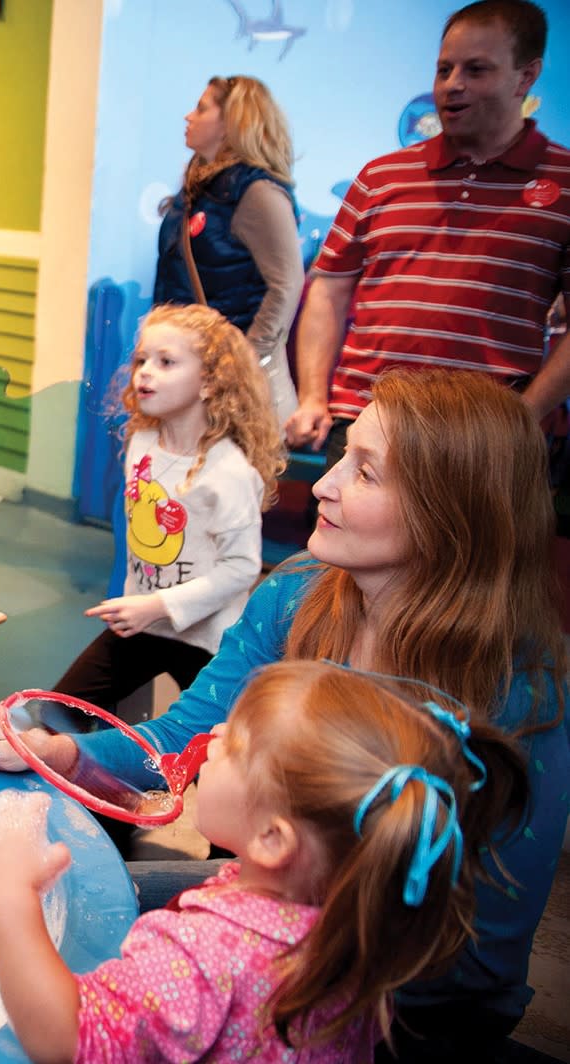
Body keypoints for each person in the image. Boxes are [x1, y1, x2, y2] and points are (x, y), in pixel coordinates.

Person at [0, 369, 570, 1060]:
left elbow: (483, 952)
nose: (323, 485)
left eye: (365, 473)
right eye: (343, 453)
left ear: (451, 512)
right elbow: (178, 739)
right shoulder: (295, 595)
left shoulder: (528, 689)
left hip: (414, 1007)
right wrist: (60, 751)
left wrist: (246, 974)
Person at [0, 660, 530, 1063]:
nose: (212, 735)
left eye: (235, 746)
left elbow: (65, 1040)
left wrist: (8, 890)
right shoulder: (353, 923)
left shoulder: (202, 953)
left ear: (275, 840)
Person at [286, 0, 570, 462]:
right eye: (444, 70)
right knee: (338, 535)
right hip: (364, 422)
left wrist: (526, 412)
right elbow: (329, 289)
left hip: (480, 440)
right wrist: (314, 397)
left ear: (526, 76)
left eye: (476, 70)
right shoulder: (381, 176)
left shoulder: (562, 181)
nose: (453, 85)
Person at [51, 304, 286, 720]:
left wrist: (158, 605)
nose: (145, 372)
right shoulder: (142, 442)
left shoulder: (228, 472)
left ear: (210, 382)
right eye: (142, 360)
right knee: (53, 714)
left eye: (166, 362)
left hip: (206, 640)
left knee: (208, 751)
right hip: (142, 624)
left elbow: (242, 567)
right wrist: (143, 608)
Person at [153, 75, 304, 422]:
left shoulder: (257, 192)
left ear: (231, 123)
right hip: (195, 369)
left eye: (202, 108)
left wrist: (245, 359)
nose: (188, 116)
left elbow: (287, 284)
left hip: (237, 384)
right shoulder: (200, 188)